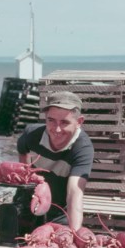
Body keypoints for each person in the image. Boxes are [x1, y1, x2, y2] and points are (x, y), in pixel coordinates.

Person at [17, 91, 94, 231]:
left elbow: (74, 193)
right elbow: (23, 152)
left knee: (62, 237)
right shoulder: (31, 134)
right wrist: (26, 178)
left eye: (64, 122)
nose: (57, 129)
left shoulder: (83, 148)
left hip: (60, 204)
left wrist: (74, 233)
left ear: (79, 122)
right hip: (30, 197)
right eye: (51, 120)